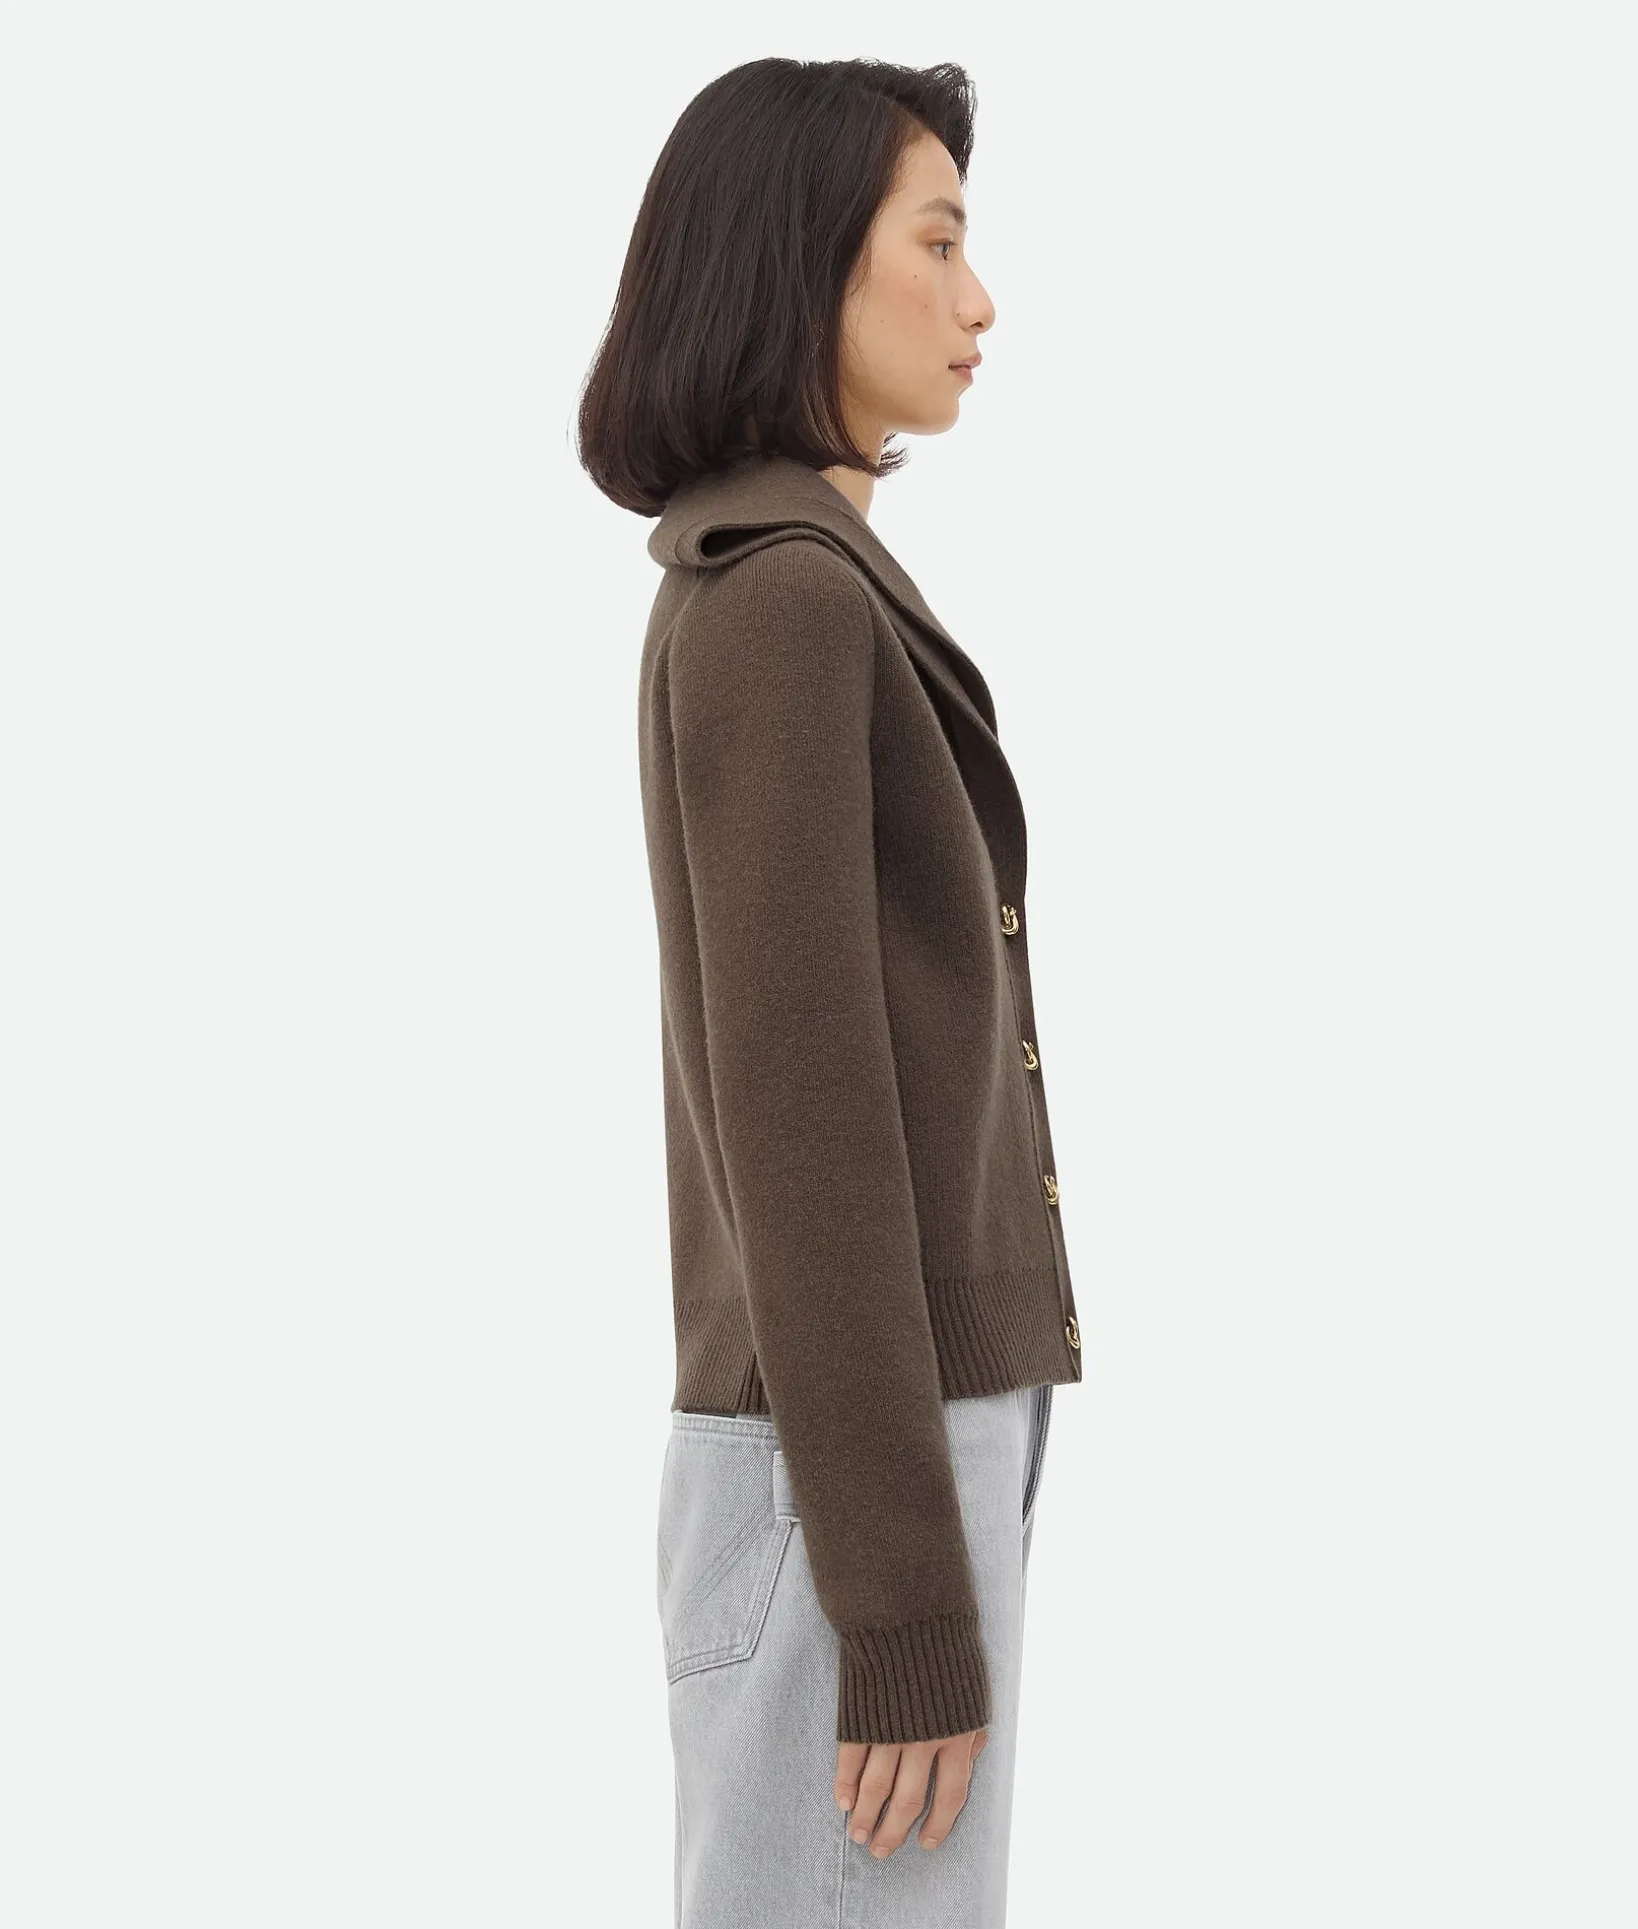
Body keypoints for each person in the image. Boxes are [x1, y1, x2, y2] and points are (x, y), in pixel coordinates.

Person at [576, 56, 1084, 1928]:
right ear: (803, 262)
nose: (978, 299)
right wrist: (899, 1597)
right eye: (935, 243)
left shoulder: (805, 584)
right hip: (853, 1458)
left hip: (872, 1447)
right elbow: (805, 1124)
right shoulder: (783, 602)